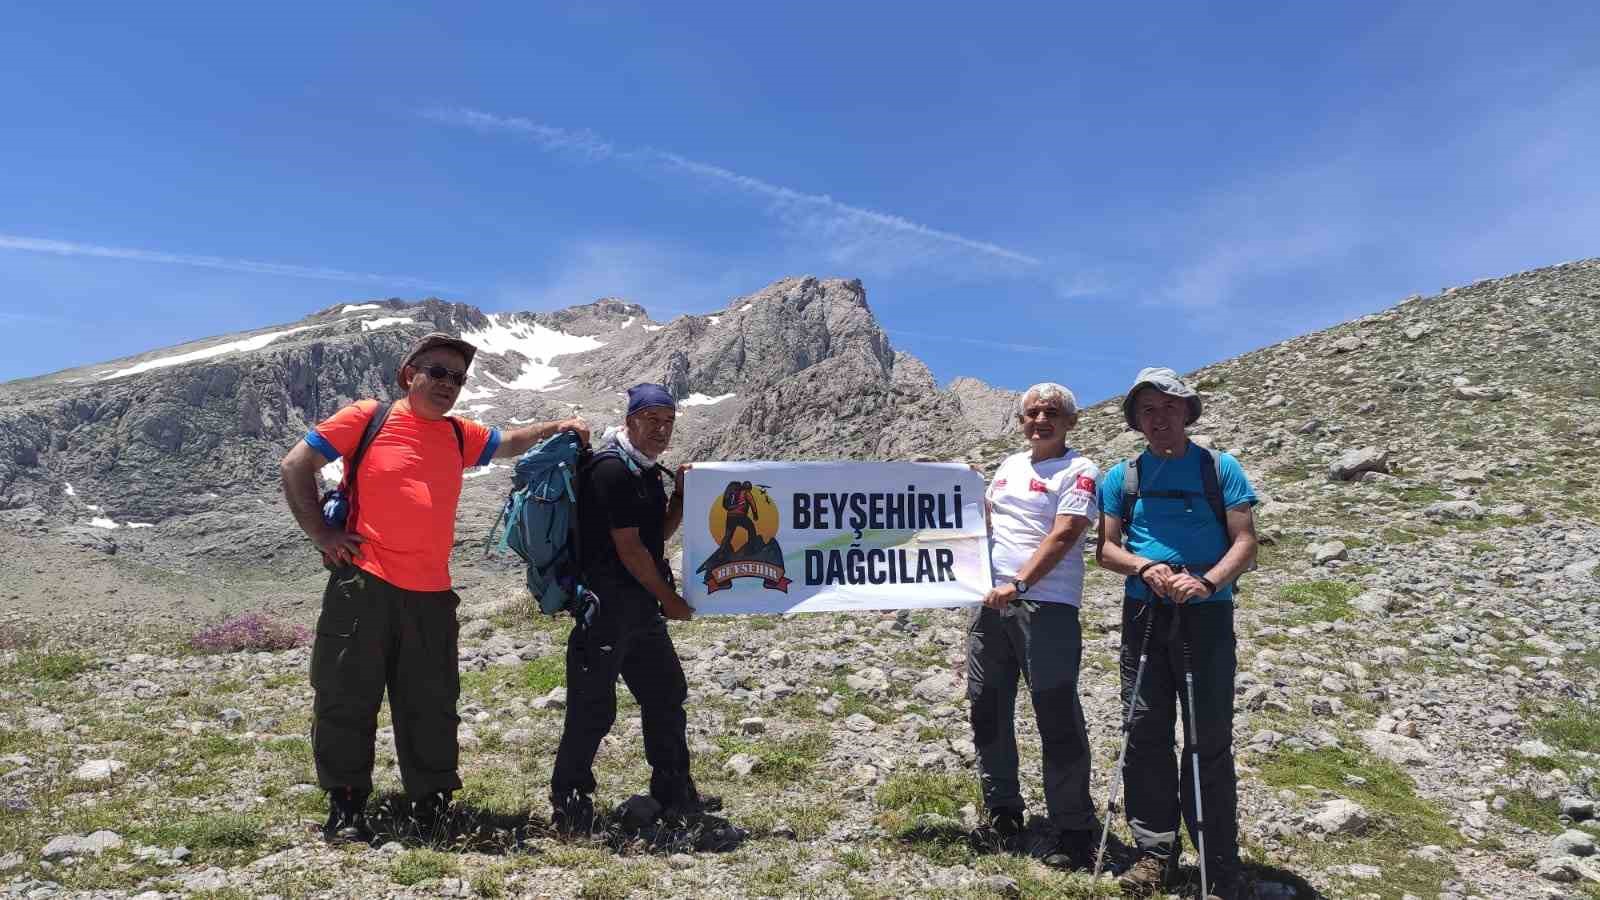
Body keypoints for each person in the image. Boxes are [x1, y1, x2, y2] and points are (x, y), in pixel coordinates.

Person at [279, 332, 590, 843]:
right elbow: (296, 464)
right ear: (410, 375)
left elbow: (508, 443)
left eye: (458, 377)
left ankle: (432, 802)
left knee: (431, 701)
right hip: (365, 584)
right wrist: (322, 532)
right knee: (345, 696)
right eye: (438, 372)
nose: (449, 383)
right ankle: (347, 803)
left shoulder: (455, 434)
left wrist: (555, 427)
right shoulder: (368, 418)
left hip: (432, 592)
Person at [1094, 367, 1258, 900]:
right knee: (1144, 734)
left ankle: (1219, 861)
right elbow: (1106, 549)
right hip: (1145, 613)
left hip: (1206, 614)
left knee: (1208, 739)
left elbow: (1245, 542)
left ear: (1187, 412)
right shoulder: (1124, 476)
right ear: (1136, 420)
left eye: (1168, 407)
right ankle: (1155, 854)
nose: (1158, 417)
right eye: (1147, 410)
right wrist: (1144, 568)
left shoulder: (1219, 468)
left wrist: (1207, 582)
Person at [549, 383, 703, 835]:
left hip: (640, 611)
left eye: (668, 422)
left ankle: (674, 789)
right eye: (652, 420)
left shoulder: (648, 472)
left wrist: (678, 499)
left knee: (666, 694)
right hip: (607, 611)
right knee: (592, 708)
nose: (661, 429)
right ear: (630, 420)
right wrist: (671, 600)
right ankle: (570, 800)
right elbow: (631, 549)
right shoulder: (610, 470)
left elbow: (654, 536)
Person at [967, 382, 1102, 869]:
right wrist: (950, 485)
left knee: (1056, 713)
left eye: (1051, 413)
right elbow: (984, 518)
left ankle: (1073, 826)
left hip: (1045, 607)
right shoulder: (1008, 467)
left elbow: (1066, 532)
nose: (1040, 420)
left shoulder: (1080, 469)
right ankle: (1002, 811)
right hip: (990, 605)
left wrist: (1020, 584)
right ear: (1021, 421)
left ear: (1070, 421)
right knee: (988, 706)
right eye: (1031, 413)